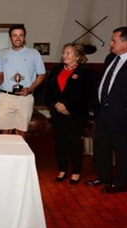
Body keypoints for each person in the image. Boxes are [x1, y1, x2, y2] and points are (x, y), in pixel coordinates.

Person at [85, 27, 127, 193]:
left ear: (126, 42)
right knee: (101, 148)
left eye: (114, 41)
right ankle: (104, 178)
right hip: (104, 112)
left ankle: (121, 183)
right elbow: (105, 83)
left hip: (124, 115)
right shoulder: (111, 58)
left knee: (123, 152)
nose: (111, 44)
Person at [45, 43, 93, 185]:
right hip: (58, 113)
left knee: (74, 142)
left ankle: (76, 172)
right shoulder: (56, 69)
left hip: (75, 114)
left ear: (77, 57)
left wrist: (67, 105)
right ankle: (62, 169)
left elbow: (84, 94)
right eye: (64, 52)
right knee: (60, 142)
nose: (64, 56)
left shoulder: (85, 72)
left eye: (68, 53)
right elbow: (48, 90)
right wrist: (56, 104)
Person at [0, 24, 46, 138]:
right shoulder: (1, 53)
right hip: (6, 97)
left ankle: (20, 156)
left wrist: (30, 89)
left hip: (25, 98)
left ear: (24, 37)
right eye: (14, 35)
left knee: (21, 132)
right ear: (10, 38)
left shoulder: (34, 53)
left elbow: (41, 74)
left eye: (21, 35)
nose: (18, 38)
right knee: (5, 132)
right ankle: (6, 155)